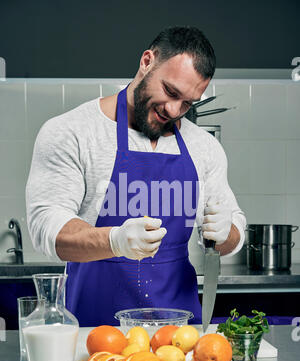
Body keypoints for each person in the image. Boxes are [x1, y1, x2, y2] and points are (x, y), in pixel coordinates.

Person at [26, 26, 246, 326]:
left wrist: (226, 232)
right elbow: (46, 226)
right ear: (146, 62)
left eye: (187, 103)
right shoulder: (71, 132)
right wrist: (114, 240)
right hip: (95, 337)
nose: (174, 109)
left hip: (178, 340)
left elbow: (232, 231)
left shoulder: (204, 147)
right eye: (170, 91)